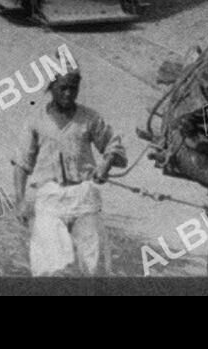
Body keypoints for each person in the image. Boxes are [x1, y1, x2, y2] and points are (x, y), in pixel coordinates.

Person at [12, 69, 126, 277]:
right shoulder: (35, 120)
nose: (68, 93)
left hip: (83, 196)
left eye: (73, 88)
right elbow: (21, 163)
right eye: (62, 88)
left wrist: (105, 165)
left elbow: (113, 144)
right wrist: (20, 200)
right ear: (50, 88)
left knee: (94, 265)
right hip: (49, 198)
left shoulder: (89, 118)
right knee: (51, 266)